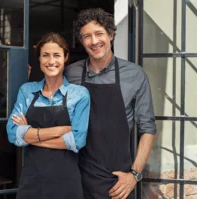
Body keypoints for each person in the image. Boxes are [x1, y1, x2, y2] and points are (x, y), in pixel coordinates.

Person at [64, 8, 157, 199]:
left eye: (99, 34)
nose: (94, 41)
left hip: (117, 183)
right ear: (82, 42)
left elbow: (148, 128)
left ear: (111, 34)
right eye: (87, 36)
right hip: (75, 177)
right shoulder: (70, 73)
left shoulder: (134, 75)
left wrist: (134, 175)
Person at [6, 32, 90, 199]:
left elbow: (77, 141)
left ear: (66, 57)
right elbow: (12, 134)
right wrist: (60, 130)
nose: (51, 61)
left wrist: (30, 136)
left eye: (57, 55)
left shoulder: (79, 94)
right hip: (32, 181)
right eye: (45, 55)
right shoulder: (27, 91)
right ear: (39, 59)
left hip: (66, 183)